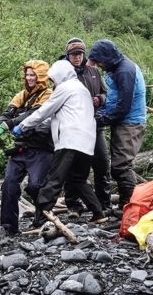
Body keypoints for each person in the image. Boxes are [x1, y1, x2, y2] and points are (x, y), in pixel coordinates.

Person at [15, 60, 109, 225]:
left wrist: (22, 126)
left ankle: (41, 219)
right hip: (86, 143)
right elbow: (58, 116)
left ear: (60, 75)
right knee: (77, 180)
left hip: (69, 141)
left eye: (54, 79)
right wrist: (35, 127)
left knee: (54, 179)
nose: (53, 83)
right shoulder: (83, 90)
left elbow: (46, 110)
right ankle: (98, 212)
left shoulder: (65, 88)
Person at [0, 60, 54, 234]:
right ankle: (8, 226)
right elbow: (8, 113)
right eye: (27, 75)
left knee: (35, 186)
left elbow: (32, 115)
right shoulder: (21, 95)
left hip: (41, 148)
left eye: (33, 75)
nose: (29, 78)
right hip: (21, 148)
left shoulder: (48, 95)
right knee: (9, 185)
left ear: (41, 77)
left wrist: (7, 126)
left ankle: (43, 217)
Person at [86, 39, 147, 209]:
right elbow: (113, 98)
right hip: (122, 121)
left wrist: (101, 120)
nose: (98, 65)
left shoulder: (125, 71)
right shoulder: (115, 68)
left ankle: (130, 206)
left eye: (98, 61)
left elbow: (124, 106)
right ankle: (126, 205)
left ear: (106, 57)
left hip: (130, 122)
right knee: (120, 165)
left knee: (120, 166)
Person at [60, 38, 112, 218]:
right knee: (72, 165)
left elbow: (106, 93)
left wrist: (100, 99)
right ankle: (73, 205)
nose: (77, 57)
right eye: (74, 54)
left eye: (80, 54)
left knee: (102, 163)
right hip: (73, 126)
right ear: (68, 55)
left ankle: (104, 204)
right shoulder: (64, 73)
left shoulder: (94, 72)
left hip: (94, 124)